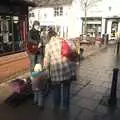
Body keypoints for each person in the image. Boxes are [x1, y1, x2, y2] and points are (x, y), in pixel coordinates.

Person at [43, 30, 76, 111]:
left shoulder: (48, 45)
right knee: (66, 89)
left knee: (56, 89)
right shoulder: (65, 40)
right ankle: (65, 107)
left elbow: (46, 60)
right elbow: (74, 51)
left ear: (49, 37)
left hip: (55, 72)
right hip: (67, 70)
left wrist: (45, 69)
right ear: (56, 35)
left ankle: (56, 106)